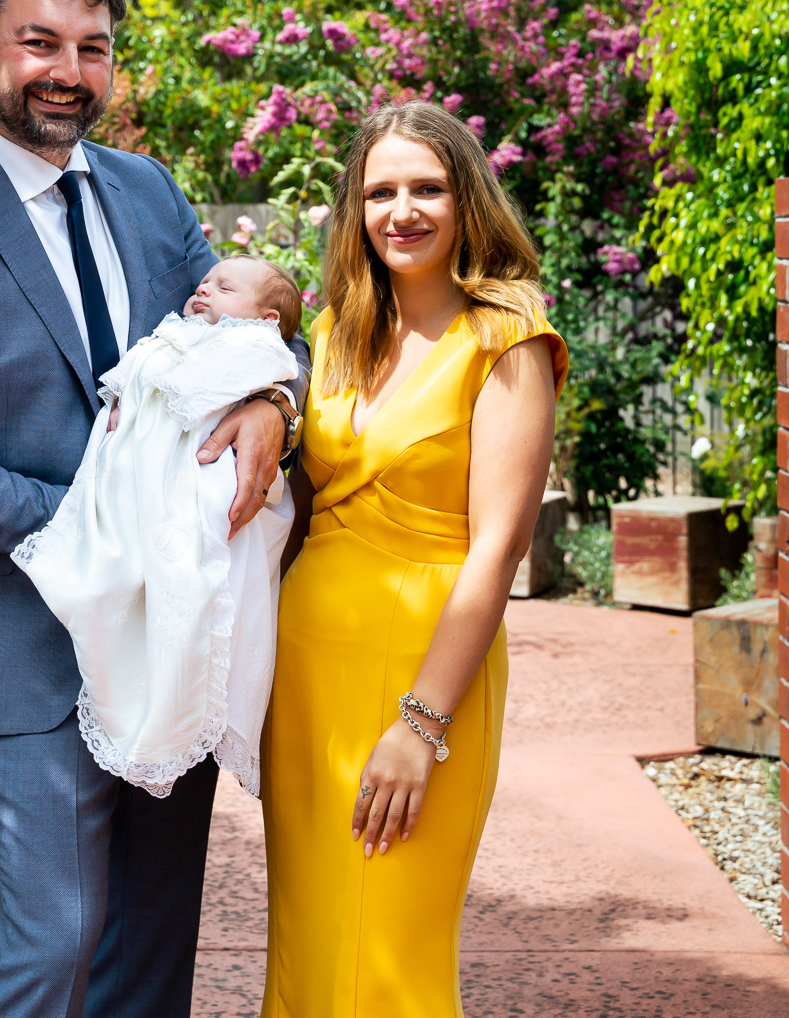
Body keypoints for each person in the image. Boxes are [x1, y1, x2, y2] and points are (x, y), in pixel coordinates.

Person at [0, 0, 309, 1018]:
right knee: (53, 940)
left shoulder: (148, 191)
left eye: (91, 47)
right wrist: (116, 525)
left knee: (151, 944)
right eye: (39, 42)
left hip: (174, 631)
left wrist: (274, 404)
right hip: (31, 639)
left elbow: (259, 334)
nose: (67, 70)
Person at [260, 102, 566, 1017]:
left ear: (466, 199)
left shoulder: (507, 337)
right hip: (306, 684)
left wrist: (420, 725)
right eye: (380, 191)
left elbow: (498, 550)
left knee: (390, 959)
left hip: (424, 682)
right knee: (312, 950)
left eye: (426, 188)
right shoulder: (332, 334)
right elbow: (293, 508)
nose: (402, 211)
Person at [13, 256, 304, 800]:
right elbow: (140, 376)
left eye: (223, 286)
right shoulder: (175, 335)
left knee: (193, 581)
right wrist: (132, 391)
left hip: (198, 477)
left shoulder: (253, 345)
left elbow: (267, 365)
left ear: (265, 319)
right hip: (134, 477)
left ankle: (174, 705)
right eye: (205, 282)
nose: (204, 288)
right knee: (110, 593)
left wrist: (276, 403)